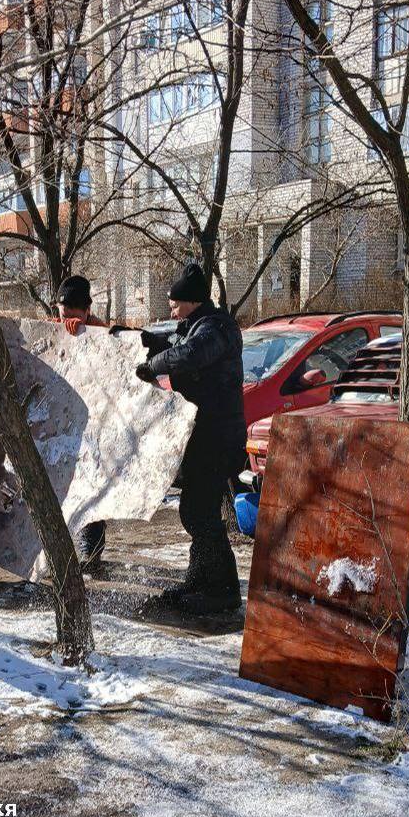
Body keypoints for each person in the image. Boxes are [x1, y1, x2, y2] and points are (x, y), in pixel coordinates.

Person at [136, 262, 246, 614]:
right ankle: (202, 580)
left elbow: (192, 353)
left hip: (218, 435)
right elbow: (175, 342)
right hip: (205, 434)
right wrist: (146, 342)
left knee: (199, 510)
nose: (170, 308)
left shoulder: (217, 329)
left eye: (174, 302)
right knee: (196, 510)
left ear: (192, 301)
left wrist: (155, 365)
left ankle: (222, 590)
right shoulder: (199, 325)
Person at [54, 275, 107, 569]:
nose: (67, 321)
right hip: (60, 424)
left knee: (91, 486)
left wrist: (87, 336)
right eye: (63, 315)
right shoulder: (52, 329)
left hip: (94, 425)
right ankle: (58, 548)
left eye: (74, 316)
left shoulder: (102, 333)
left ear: (87, 311)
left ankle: (91, 549)